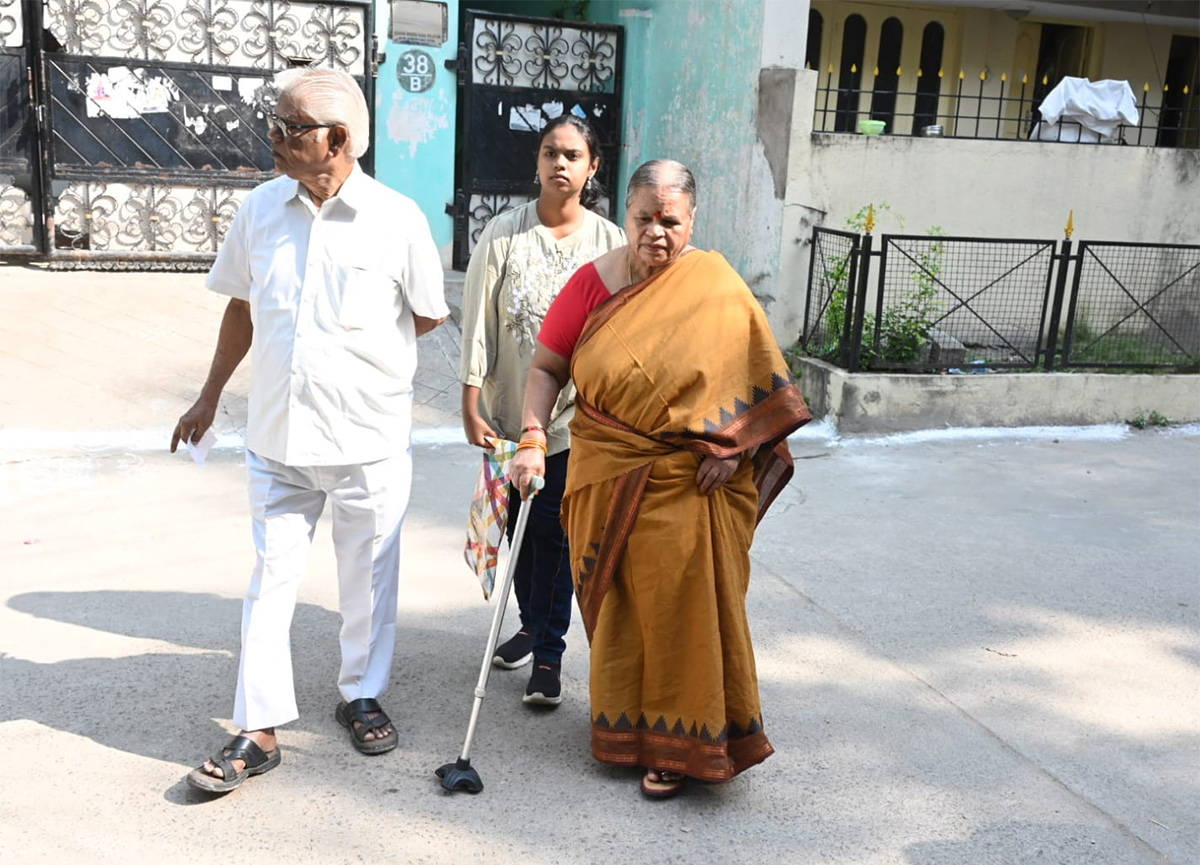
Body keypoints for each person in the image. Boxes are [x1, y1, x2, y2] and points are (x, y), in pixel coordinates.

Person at [171, 66, 448, 793]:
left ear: (338, 139)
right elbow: (241, 308)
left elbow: (426, 314)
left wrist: (359, 360)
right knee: (269, 584)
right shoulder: (260, 210)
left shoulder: (398, 219)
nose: (273, 136)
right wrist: (208, 396)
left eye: (290, 128)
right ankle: (258, 728)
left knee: (368, 582)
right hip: (278, 437)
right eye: (277, 122)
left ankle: (361, 694)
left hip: (367, 441)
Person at [509, 160, 811, 799]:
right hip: (606, 471)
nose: (655, 232)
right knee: (622, 608)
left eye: (669, 221)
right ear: (625, 214)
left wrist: (736, 448)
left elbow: (758, 384)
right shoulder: (591, 285)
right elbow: (546, 368)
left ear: (691, 220)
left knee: (683, 612)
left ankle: (682, 743)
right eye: (643, 218)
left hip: (692, 484)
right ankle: (627, 728)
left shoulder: (716, 286)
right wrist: (533, 438)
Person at [459, 115, 625, 706]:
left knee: (553, 535)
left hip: (574, 421)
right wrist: (470, 400)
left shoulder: (611, 244)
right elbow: (477, 320)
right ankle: (532, 623)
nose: (560, 163)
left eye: (573, 155)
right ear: (536, 161)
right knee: (517, 532)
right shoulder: (503, 234)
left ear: (592, 167)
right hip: (509, 412)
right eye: (550, 152)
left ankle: (549, 654)